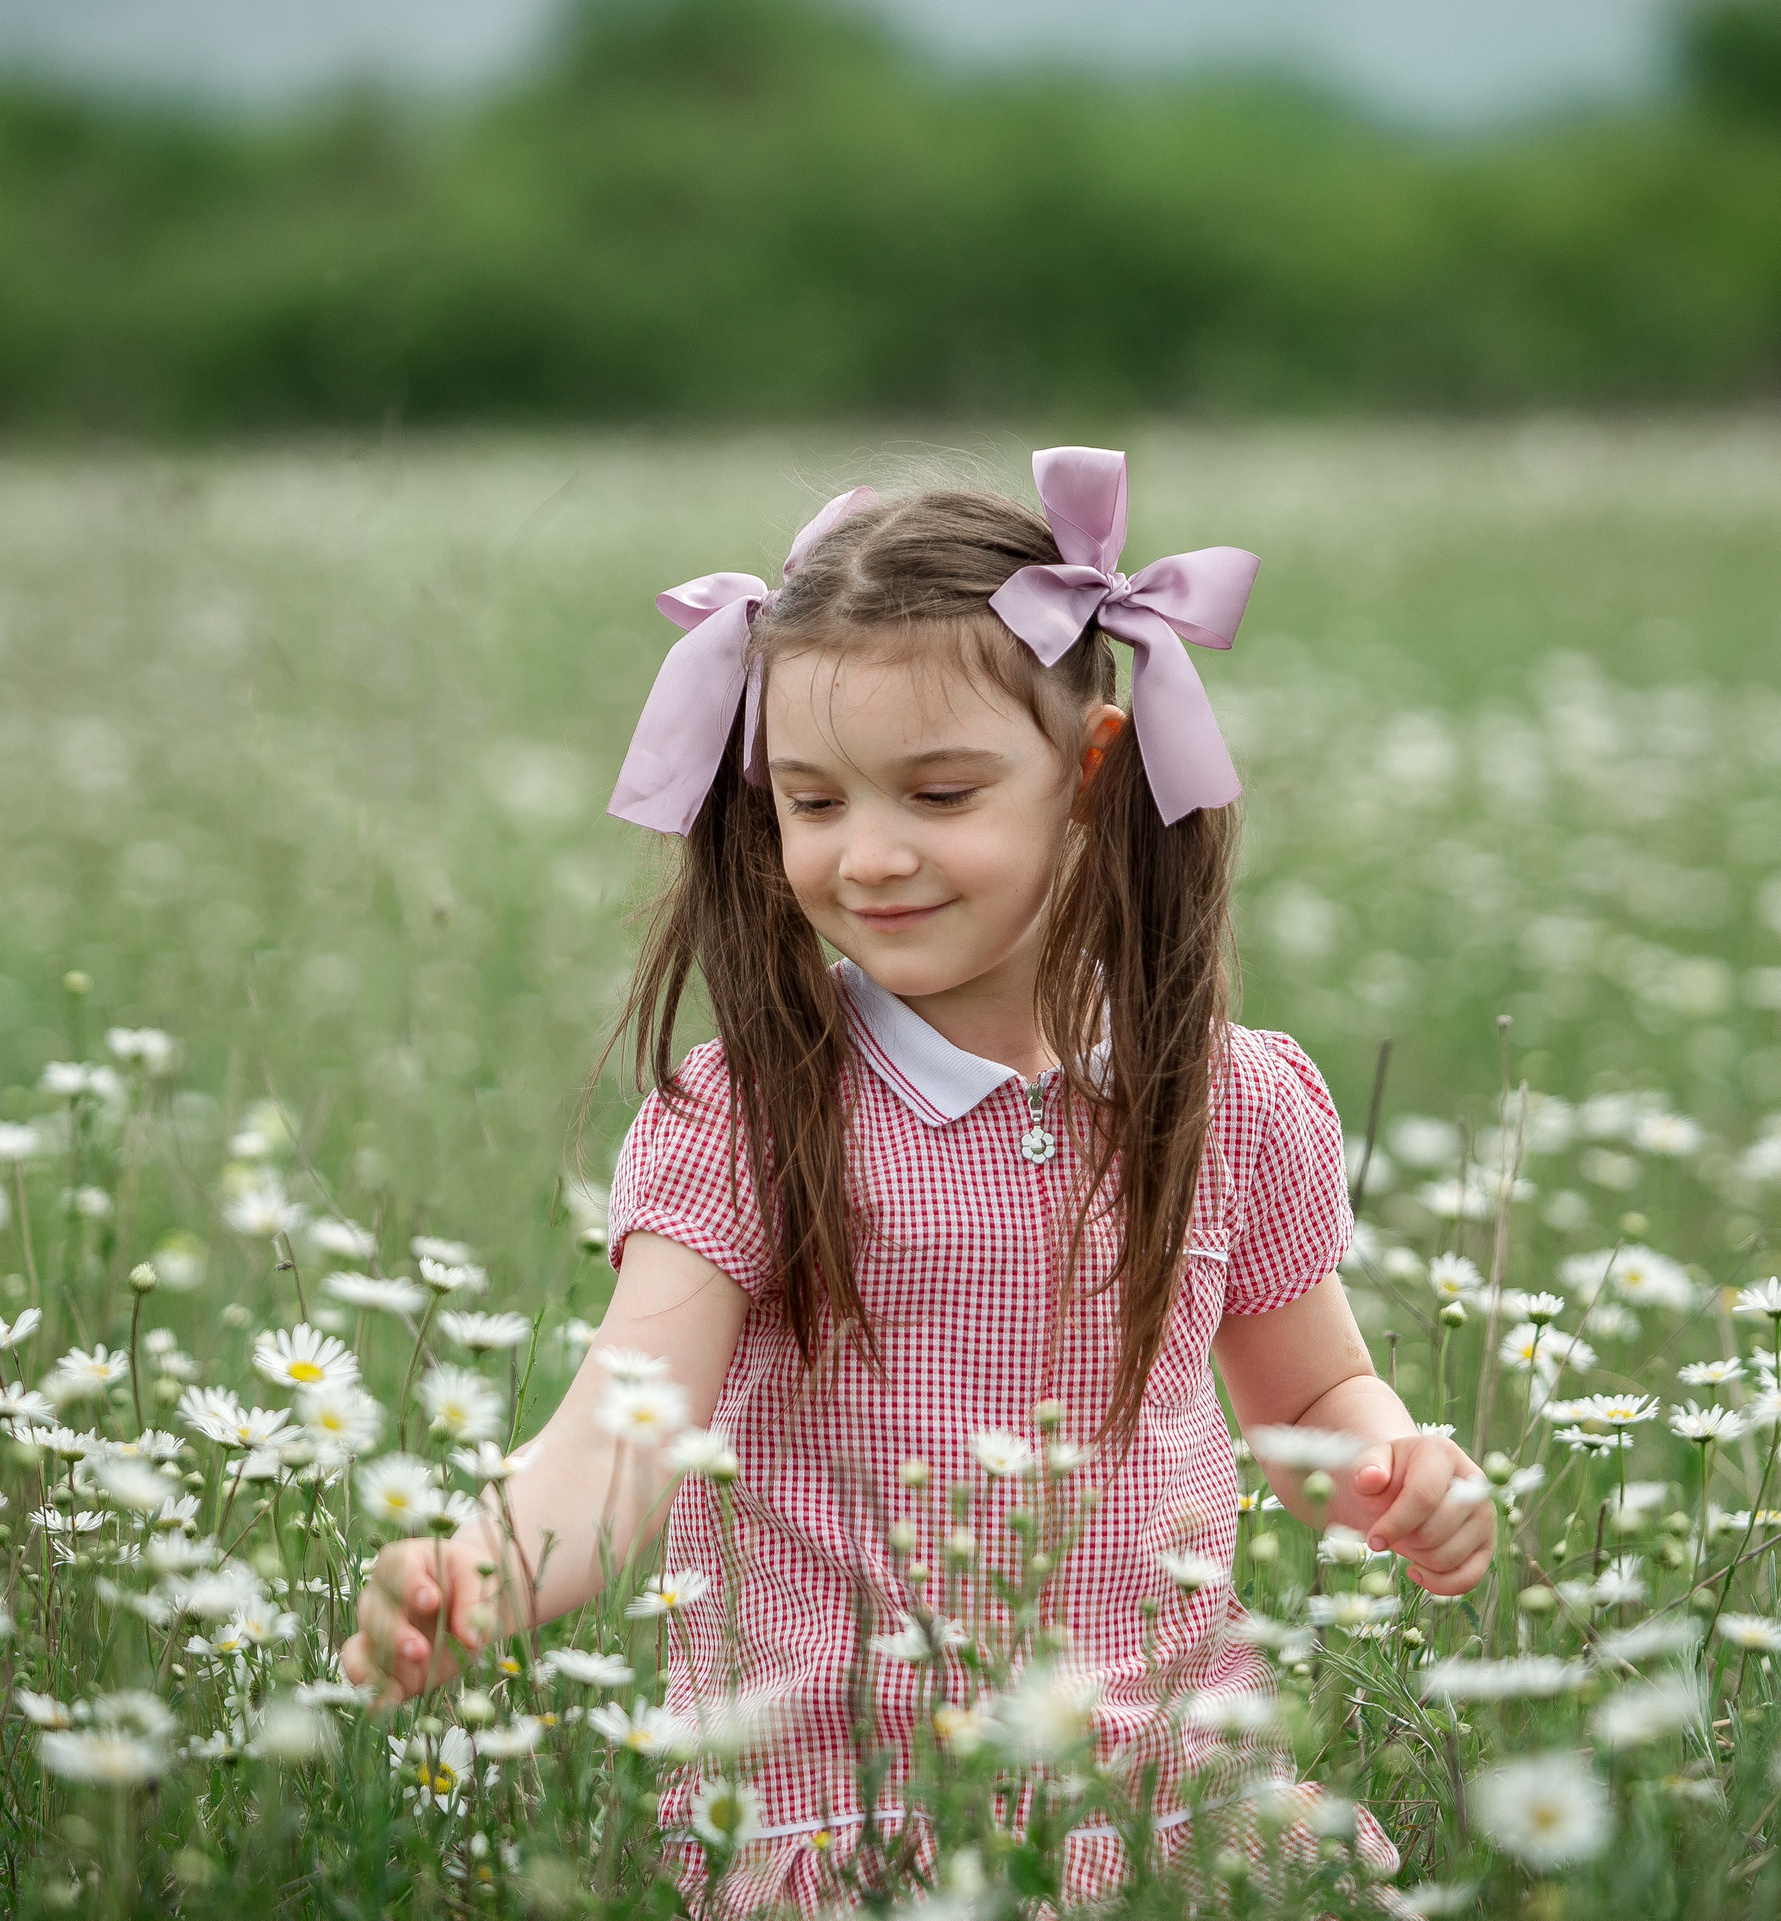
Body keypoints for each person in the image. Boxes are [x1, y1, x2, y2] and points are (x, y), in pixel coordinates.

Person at [342, 448, 1492, 1909]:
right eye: (812, 804)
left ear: (1091, 774)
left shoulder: (1230, 1098)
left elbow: (1312, 1403)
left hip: (1166, 1797)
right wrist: (477, 1568)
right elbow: (618, 1441)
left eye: (938, 793)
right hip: (842, 1814)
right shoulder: (756, 1115)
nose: (868, 856)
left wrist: (1398, 1471)